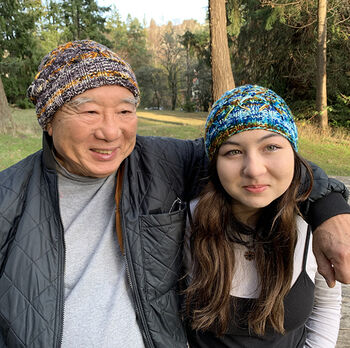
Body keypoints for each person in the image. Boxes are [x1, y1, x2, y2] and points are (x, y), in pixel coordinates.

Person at [0, 40, 348, 348]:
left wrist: (329, 208)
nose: (110, 131)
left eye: (124, 111)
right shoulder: (8, 199)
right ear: (48, 118)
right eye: (89, 111)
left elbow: (259, 153)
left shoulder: (161, 162)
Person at [184, 85, 342, 347]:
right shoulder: (188, 222)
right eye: (233, 151)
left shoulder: (314, 224)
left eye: (271, 147)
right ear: (215, 163)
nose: (254, 170)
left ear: (294, 155)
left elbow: (326, 305)